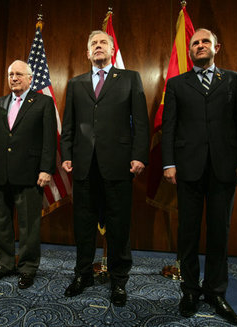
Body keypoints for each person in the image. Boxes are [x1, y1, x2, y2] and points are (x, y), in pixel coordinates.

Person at [162, 28, 237, 325]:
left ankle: (215, 291)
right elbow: (170, 128)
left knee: (219, 233)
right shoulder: (176, 84)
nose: (200, 45)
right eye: (195, 43)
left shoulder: (234, 80)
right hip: (187, 169)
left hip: (224, 169)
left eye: (205, 41)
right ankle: (189, 290)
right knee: (187, 234)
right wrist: (168, 164)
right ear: (189, 50)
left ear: (217, 46)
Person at [60, 30, 150, 306]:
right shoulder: (76, 84)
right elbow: (69, 125)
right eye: (93, 44)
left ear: (112, 50)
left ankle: (119, 280)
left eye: (103, 43)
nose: (98, 47)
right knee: (83, 224)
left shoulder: (130, 78)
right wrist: (66, 154)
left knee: (119, 226)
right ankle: (82, 274)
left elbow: (141, 122)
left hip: (119, 165)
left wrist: (139, 156)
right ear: (87, 53)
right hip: (84, 166)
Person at [0, 60, 57, 289]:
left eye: (19, 74)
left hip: (30, 174)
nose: (14, 78)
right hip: (0, 174)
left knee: (29, 226)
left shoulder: (43, 102)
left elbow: (49, 140)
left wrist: (46, 169)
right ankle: (5, 265)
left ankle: (28, 268)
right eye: (11, 74)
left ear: (30, 78)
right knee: (1, 223)